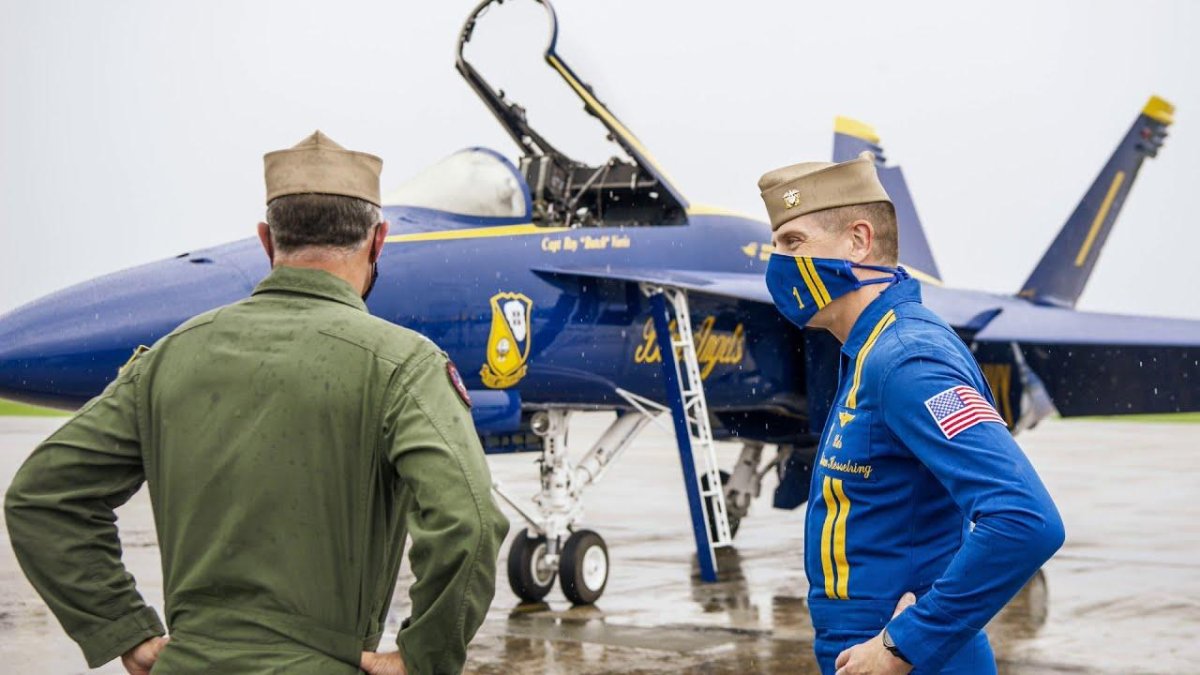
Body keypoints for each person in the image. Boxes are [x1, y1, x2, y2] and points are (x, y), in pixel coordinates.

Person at [5, 130, 509, 674]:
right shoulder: (403, 365)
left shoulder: (167, 359)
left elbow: (41, 494)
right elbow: (469, 521)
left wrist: (127, 629)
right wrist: (422, 658)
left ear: (267, 240)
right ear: (378, 240)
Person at [757, 155, 1065, 674]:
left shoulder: (907, 360)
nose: (778, 263)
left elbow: (1025, 520)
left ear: (858, 242)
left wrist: (904, 644)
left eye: (793, 243)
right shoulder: (868, 352)